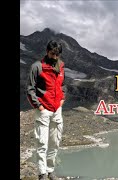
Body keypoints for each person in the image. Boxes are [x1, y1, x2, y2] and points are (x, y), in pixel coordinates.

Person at [26, 40, 66, 180]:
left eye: (57, 54)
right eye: (52, 53)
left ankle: (50, 170)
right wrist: (39, 106)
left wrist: (62, 99)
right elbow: (30, 89)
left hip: (57, 109)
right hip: (44, 109)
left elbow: (63, 85)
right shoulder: (37, 67)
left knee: (55, 141)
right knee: (42, 142)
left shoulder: (61, 66)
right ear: (47, 51)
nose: (55, 57)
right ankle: (42, 173)